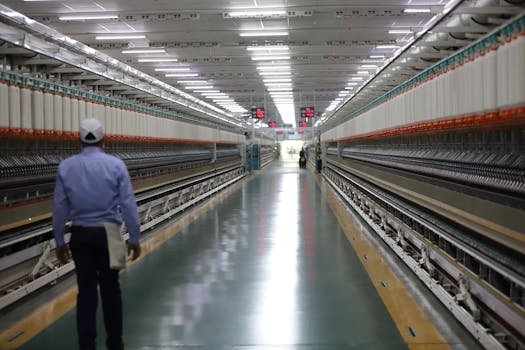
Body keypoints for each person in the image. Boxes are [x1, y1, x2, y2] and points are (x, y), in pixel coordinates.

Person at [53, 118, 142, 350]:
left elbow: (60, 207)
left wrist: (60, 240)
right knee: (112, 290)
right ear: (106, 139)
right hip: (111, 234)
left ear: (77, 140)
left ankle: (87, 345)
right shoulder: (116, 165)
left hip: (80, 234)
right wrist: (134, 238)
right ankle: (115, 343)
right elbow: (128, 204)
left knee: (86, 293)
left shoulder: (65, 167)